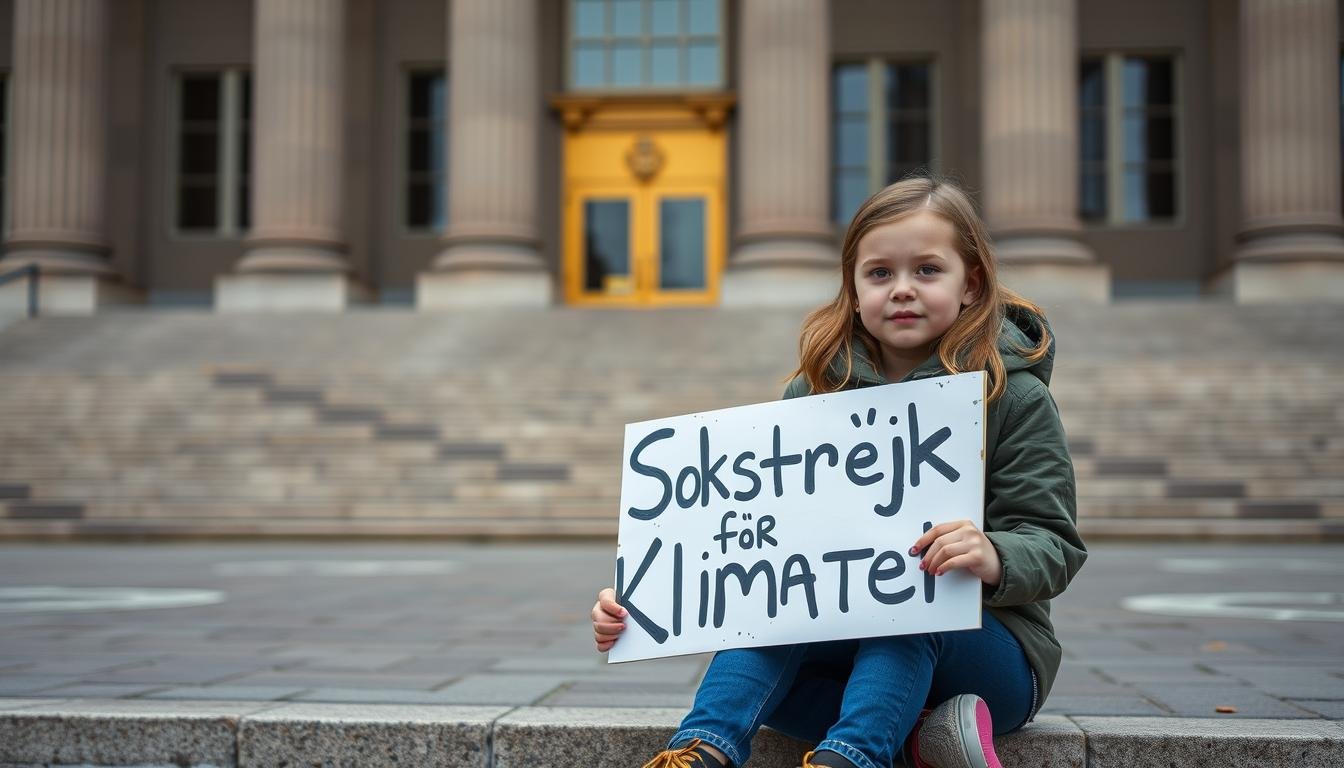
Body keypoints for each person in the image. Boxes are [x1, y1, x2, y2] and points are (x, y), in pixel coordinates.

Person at [591, 176, 1086, 768]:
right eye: (880, 274)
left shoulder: (1015, 396)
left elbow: (1053, 543)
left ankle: (851, 757)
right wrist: (652, 599)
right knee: (770, 618)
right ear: (852, 290)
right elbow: (755, 541)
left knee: (909, 601)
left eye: (927, 270)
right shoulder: (817, 388)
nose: (902, 289)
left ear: (971, 282)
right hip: (843, 662)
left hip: (992, 656)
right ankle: (701, 751)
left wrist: (994, 556)